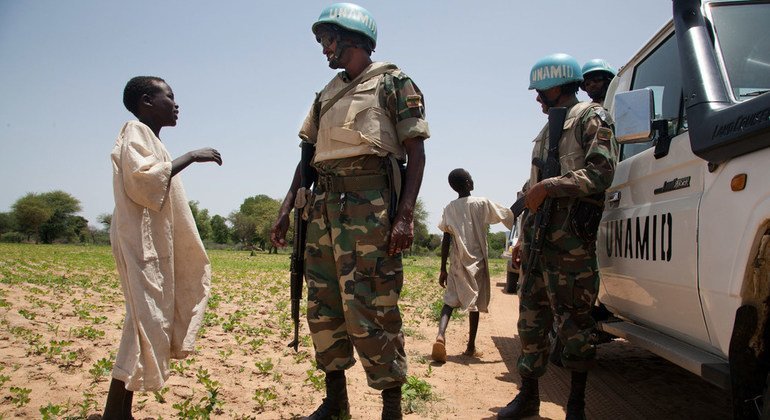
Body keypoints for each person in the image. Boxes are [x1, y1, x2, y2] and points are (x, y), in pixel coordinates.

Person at [269, 3, 429, 419]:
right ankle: (336, 402)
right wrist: (287, 208)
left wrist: (405, 216)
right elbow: (307, 157)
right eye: (323, 42)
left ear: (353, 38)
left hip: (370, 209)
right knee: (323, 306)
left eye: (328, 40)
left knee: (374, 306)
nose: (324, 50)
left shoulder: (395, 82)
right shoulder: (323, 94)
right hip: (321, 210)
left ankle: (390, 407)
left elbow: (416, 153)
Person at [497, 54, 617, 420]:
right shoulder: (546, 131)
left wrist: (552, 186)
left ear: (560, 85)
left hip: (571, 248)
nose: (537, 98)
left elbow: (601, 173)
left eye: (541, 91)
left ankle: (576, 406)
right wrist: (520, 239)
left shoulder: (593, 117)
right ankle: (528, 397)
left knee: (576, 328)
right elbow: (531, 190)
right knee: (530, 325)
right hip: (537, 246)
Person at [103, 76, 222, 419]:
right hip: (141, 247)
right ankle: (116, 412)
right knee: (143, 322)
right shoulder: (134, 131)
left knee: (143, 323)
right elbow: (144, 180)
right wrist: (193, 155)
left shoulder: (153, 140)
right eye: (168, 96)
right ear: (146, 102)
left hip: (153, 247)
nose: (176, 103)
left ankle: (118, 411)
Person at [431, 168, 513, 363]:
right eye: (471, 178)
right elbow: (507, 214)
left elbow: (445, 239)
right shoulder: (481, 203)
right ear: (468, 183)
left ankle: (440, 335)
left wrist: (443, 268)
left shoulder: (450, 208)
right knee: (474, 304)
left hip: (457, 260)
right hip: (476, 261)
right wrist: (524, 201)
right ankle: (470, 346)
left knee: (449, 300)